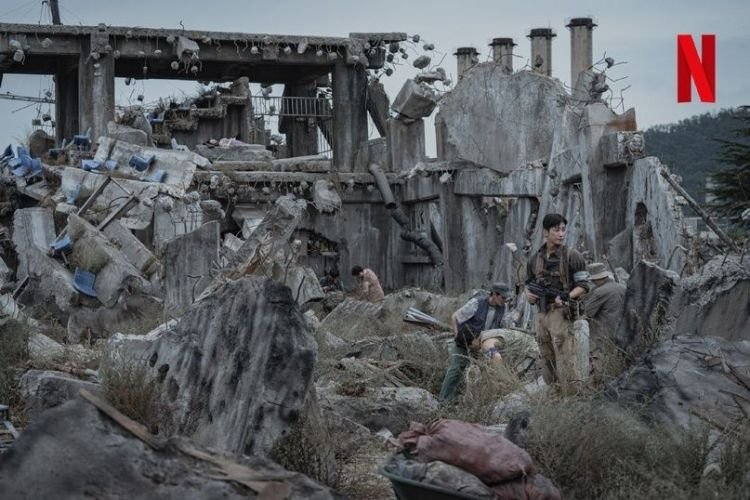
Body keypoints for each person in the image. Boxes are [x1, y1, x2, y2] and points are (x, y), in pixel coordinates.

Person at [525, 213, 590, 394]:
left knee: (566, 357)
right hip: (541, 314)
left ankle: (573, 397)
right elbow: (528, 283)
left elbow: (584, 286)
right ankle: (554, 394)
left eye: (563, 229)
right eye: (556, 230)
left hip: (561, 313)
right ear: (545, 232)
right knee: (546, 357)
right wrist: (528, 295)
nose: (561, 234)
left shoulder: (572, 256)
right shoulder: (534, 259)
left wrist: (567, 296)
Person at [438, 282, 512, 403]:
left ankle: (481, 403)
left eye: (506, 298)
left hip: (483, 345)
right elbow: (455, 317)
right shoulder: (476, 303)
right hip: (465, 343)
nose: (505, 301)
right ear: (494, 294)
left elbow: (502, 328)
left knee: (487, 373)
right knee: (455, 371)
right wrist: (458, 337)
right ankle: (443, 402)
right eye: (503, 297)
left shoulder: (503, 308)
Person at [583, 262, 626, 383]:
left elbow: (587, 313)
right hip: (620, 331)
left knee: (598, 362)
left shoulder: (599, 292)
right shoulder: (621, 287)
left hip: (602, 334)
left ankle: (598, 384)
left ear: (596, 279)